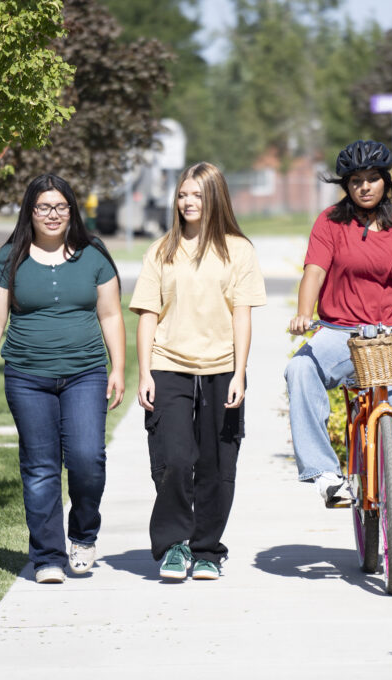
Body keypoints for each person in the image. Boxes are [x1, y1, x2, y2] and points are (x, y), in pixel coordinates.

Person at [284, 140, 392, 527]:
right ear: (346, 186)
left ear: (386, 182)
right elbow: (314, 271)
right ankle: (326, 475)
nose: (365, 187)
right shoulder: (329, 223)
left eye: (373, 179)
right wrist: (303, 314)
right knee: (300, 370)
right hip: (342, 333)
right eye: (356, 181)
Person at [0, 173, 126, 584]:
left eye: (60, 206)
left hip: (84, 374)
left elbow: (110, 315)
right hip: (27, 376)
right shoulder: (10, 259)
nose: (53, 214)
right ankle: (47, 557)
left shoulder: (94, 256)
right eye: (44, 207)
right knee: (40, 468)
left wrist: (119, 369)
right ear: (30, 212)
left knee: (87, 459)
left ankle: (82, 534)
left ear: (71, 210)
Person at [129, 162, 266, 581]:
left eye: (198, 195)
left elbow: (241, 316)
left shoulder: (237, 250)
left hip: (221, 368)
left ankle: (207, 549)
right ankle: (174, 544)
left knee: (216, 462)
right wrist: (144, 372)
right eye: (183, 194)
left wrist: (240, 372)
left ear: (215, 199)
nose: (188, 202)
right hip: (168, 364)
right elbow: (148, 315)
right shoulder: (162, 249)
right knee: (174, 458)